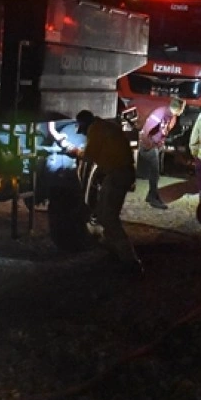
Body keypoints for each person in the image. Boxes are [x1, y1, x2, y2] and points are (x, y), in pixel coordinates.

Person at [78, 110, 144, 276]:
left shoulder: (96, 130)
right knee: (102, 213)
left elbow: (89, 156)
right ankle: (112, 250)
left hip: (118, 174)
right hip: (120, 173)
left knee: (109, 218)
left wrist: (74, 151)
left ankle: (130, 261)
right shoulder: (104, 126)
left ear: (85, 125)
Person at [36, 118, 89, 250]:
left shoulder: (71, 133)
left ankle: (66, 241)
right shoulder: (76, 133)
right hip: (65, 184)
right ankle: (72, 242)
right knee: (67, 207)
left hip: (60, 184)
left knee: (62, 207)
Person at [136, 97, 186, 209]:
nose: (183, 111)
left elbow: (164, 131)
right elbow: (147, 130)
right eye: (182, 108)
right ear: (179, 108)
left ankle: (151, 195)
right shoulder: (160, 113)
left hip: (155, 145)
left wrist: (159, 144)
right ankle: (153, 197)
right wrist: (149, 145)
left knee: (155, 171)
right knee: (155, 171)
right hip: (149, 145)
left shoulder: (171, 116)